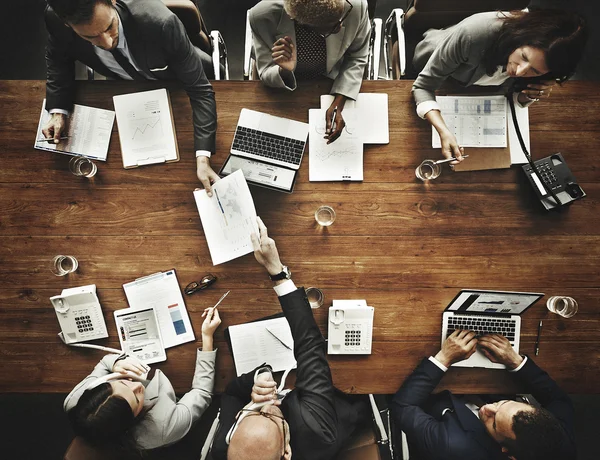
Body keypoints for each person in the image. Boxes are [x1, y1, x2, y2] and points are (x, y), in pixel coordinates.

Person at [210, 216, 367, 460]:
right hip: (334, 404)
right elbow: (310, 346)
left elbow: (230, 394)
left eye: (252, 413)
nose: (269, 405)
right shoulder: (315, 431)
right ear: (286, 451)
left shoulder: (225, 448)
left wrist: (257, 378)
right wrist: (277, 273)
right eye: (272, 417)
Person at [43, 0, 220, 194]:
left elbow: (200, 90)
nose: (108, 43)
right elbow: (57, 58)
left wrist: (203, 158)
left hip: (176, 81)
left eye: (109, 27)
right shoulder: (56, 19)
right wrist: (58, 110)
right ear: (67, 24)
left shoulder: (161, 23)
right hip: (127, 90)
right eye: (90, 37)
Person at [412, 9, 587, 164]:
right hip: (440, 69)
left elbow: (516, 94)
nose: (520, 71)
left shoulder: (545, 67)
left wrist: (530, 95)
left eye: (534, 70)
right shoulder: (473, 34)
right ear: (519, 38)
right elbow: (423, 87)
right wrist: (444, 131)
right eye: (524, 57)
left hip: (478, 89)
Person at [392, 330, 576, 460]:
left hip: (434, 394)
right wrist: (515, 361)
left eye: (494, 423)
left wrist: (444, 358)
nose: (488, 408)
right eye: (503, 404)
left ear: (507, 452)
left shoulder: (452, 446)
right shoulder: (560, 437)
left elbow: (402, 407)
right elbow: (559, 400)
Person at [64, 306, 221, 454]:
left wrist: (116, 362)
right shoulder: (165, 426)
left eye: (121, 383)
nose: (137, 385)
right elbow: (202, 391)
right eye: (136, 398)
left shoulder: (75, 400)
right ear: (132, 421)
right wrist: (207, 337)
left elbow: (104, 363)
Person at [249, 0, 370, 143]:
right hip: (284, 91)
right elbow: (265, 72)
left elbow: (357, 56)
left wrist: (339, 101)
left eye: (341, 17)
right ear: (300, 23)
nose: (340, 27)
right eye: (330, 28)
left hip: (332, 80)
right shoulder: (262, 16)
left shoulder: (356, 5)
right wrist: (284, 70)